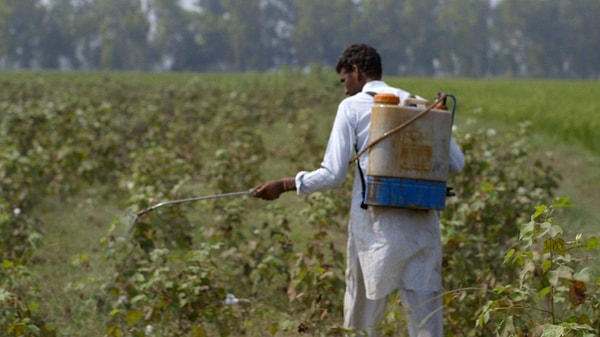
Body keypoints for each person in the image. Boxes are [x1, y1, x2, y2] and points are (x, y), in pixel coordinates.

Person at [252, 43, 465, 337]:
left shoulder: (352, 107)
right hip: (422, 226)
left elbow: (332, 174)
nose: (344, 89)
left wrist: (287, 184)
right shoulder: (420, 103)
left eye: (344, 80)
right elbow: (456, 163)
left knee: (363, 320)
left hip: (375, 229)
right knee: (426, 321)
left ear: (356, 71)